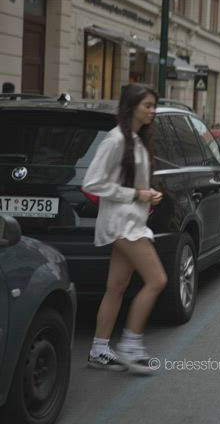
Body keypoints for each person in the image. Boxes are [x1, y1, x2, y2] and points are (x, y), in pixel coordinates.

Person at [82, 83, 166, 375]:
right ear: (131, 107)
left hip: (132, 221)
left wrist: (148, 193)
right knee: (157, 279)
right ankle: (131, 344)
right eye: (148, 106)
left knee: (116, 288)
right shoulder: (115, 140)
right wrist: (136, 194)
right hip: (122, 224)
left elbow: (132, 185)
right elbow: (92, 183)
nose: (153, 111)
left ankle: (99, 350)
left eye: (154, 105)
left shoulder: (136, 140)